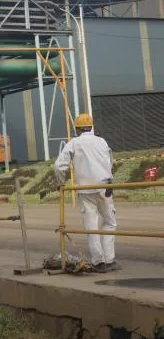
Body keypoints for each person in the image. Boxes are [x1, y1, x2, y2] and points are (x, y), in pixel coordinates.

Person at [54, 113, 119, 273]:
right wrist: (110, 180)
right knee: (109, 222)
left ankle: (98, 262)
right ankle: (109, 260)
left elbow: (59, 166)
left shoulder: (74, 143)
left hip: (84, 190)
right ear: (91, 127)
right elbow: (109, 162)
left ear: (77, 129)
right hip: (104, 187)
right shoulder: (102, 141)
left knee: (91, 225)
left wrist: (60, 183)